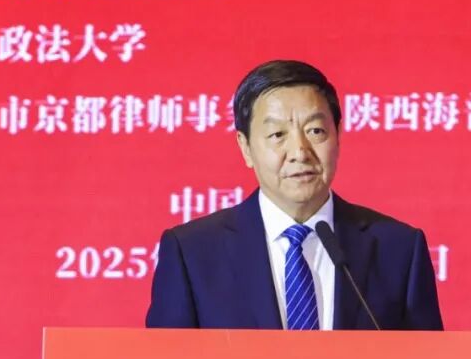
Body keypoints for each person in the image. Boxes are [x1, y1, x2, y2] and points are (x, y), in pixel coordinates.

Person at [145, 59, 443, 330]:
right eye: (277, 135)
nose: (300, 152)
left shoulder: (399, 250)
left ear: (338, 135)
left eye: (316, 131)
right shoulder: (193, 253)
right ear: (245, 147)